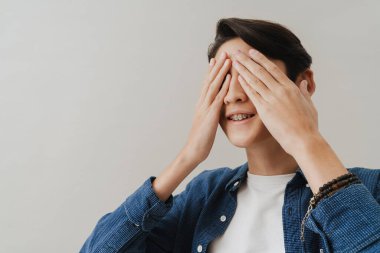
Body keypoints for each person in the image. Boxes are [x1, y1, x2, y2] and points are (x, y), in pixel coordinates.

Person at [79, 18, 380, 253]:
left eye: (251, 74)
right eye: (222, 79)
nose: (232, 94)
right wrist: (187, 156)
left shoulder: (371, 189)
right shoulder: (205, 195)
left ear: (305, 83)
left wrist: (307, 142)